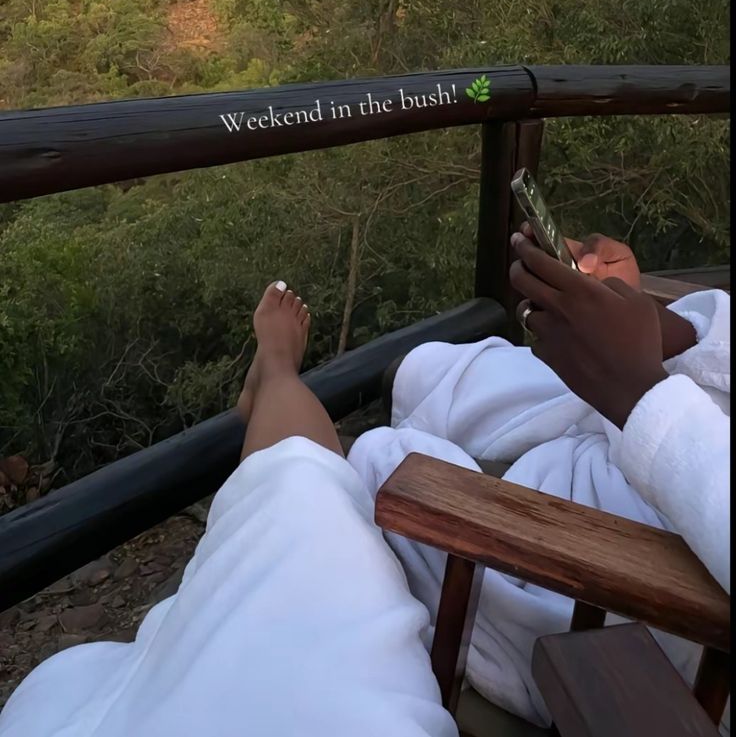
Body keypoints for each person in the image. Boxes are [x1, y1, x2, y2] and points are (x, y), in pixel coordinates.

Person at [0, 232, 729, 737]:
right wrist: (670, 331)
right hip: (680, 445)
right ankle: (286, 399)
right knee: (406, 398)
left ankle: (278, 377)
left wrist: (639, 392)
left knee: (343, 477)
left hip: (638, 583)